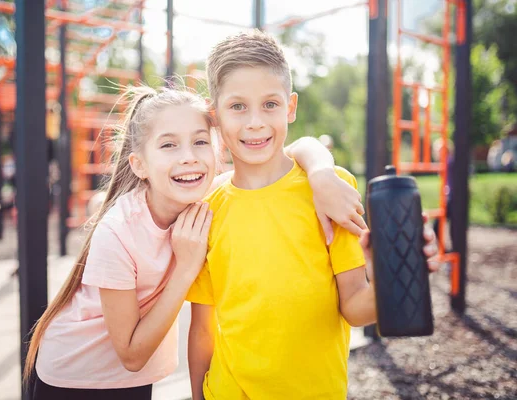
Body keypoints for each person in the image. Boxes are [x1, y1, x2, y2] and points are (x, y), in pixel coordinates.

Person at [23, 85, 363, 399]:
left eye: (200, 142)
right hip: (76, 378)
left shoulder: (209, 200)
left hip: (135, 381)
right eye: (169, 145)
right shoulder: (118, 233)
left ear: (217, 151)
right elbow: (131, 354)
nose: (188, 156)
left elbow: (296, 148)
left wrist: (320, 171)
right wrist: (185, 268)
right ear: (139, 164)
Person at [186, 31, 440, 400]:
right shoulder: (207, 207)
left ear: (290, 106)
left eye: (270, 104)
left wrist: (395, 272)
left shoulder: (332, 190)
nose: (255, 122)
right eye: (238, 106)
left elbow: (355, 308)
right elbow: (203, 329)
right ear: (215, 114)